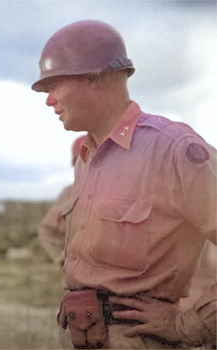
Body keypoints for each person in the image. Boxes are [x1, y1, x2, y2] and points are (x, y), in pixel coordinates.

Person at [32, 20, 216, 349]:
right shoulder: (86, 158)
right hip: (86, 335)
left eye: (55, 85)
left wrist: (193, 323)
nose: (49, 101)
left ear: (94, 78)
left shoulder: (174, 150)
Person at [38, 135, 86, 265]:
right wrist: (62, 257)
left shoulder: (124, 191)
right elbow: (47, 232)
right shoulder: (68, 194)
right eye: (80, 162)